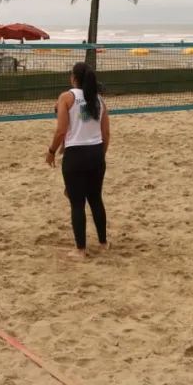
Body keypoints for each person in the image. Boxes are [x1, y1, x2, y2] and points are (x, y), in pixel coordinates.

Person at [46, 62, 111, 259]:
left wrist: (51, 151)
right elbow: (106, 134)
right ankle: (103, 243)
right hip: (96, 153)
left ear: (74, 77)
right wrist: (100, 154)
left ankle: (80, 250)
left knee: (76, 203)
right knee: (95, 199)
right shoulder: (99, 100)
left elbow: (61, 131)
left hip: (76, 155)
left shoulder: (67, 97)